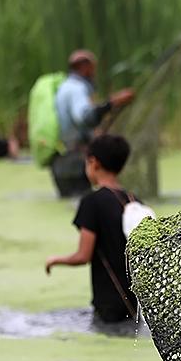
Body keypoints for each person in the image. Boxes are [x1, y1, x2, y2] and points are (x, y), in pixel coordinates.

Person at [45, 135, 139, 323]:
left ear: (93, 162)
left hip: (108, 305)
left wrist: (55, 260)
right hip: (135, 304)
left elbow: (83, 255)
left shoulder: (92, 202)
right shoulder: (133, 201)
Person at [51, 49, 135, 197]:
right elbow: (85, 117)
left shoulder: (63, 87)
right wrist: (112, 102)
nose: (94, 72)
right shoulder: (77, 89)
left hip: (61, 163)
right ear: (84, 67)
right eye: (92, 67)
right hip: (76, 164)